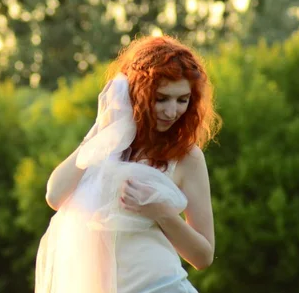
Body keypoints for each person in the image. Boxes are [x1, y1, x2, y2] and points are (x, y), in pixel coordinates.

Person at [35, 35, 222, 293]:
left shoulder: (187, 157)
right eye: (161, 98)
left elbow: (203, 256)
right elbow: (55, 195)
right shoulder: (106, 148)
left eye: (182, 100)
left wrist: (160, 212)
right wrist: (103, 130)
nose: (172, 111)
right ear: (138, 94)